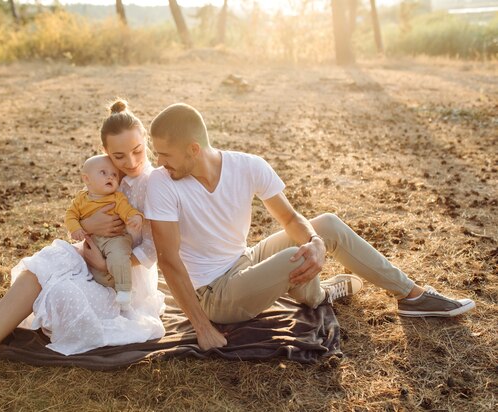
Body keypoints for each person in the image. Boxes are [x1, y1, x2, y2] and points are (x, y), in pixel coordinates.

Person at [144, 103, 475, 351]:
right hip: (214, 295)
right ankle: (321, 293)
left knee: (325, 226)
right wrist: (202, 327)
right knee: (298, 257)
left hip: (245, 260)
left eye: (164, 154)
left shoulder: (248, 166)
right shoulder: (163, 183)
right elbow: (169, 260)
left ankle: (413, 296)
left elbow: (289, 219)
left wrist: (316, 241)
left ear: (193, 149)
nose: (159, 162)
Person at [0, 99, 165, 396]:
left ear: (146, 141)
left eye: (137, 151)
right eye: (119, 156)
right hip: (88, 252)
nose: (130, 162)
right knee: (41, 265)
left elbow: (157, 249)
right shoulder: (104, 174)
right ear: (105, 153)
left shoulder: (155, 184)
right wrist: (88, 227)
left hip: (122, 276)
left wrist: (108, 265)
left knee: (63, 293)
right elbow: (79, 214)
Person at [65, 154, 144, 307]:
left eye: (114, 174)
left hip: (116, 239)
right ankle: (104, 292)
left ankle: (124, 292)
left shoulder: (117, 198)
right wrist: (76, 228)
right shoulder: (81, 199)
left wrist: (136, 217)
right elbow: (70, 215)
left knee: (119, 257)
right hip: (93, 241)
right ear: (87, 179)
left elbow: (127, 210)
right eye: (103, 173)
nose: (111, 177)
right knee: (94, 271)